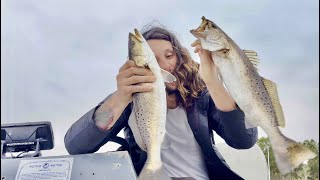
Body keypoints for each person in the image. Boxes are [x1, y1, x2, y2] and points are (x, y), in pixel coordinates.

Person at [64, 25, 258, 180]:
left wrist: (213, 81)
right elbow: (76, 146)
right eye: (153, 59)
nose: (162, 65)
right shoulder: (127, 99)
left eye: (168, 56)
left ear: (180, 57)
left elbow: (244, 140)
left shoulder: (203, 97)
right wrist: (121, 97)